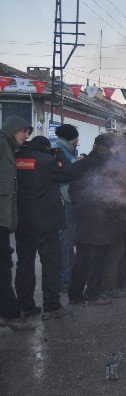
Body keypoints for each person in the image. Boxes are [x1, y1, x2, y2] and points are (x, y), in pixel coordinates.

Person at [15, 136, 77, 319]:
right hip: (46, 223)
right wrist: (59, 157)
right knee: (51, 264)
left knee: (24, 264)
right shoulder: (48, 161)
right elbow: (69, 173)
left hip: (22, 221)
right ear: (45, 148)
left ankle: (25, 305)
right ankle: (51, 306)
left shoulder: (18, 158)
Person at [68, 133, 126, 306]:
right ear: (112, 147)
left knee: (82, 258)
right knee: (99, 260)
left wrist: (80, 206)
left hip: (84, 218)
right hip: (105, 219)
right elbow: (117, 195)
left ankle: (75, 294)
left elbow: (72, 190)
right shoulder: (112, 167)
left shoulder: (82, 163)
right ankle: (93, 295)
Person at [0, 116, 35, 330]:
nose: (26, 136)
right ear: (13, 129)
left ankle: (8, 312)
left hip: (3, 220)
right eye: (23, 131)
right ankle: (10, 314)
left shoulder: (9, 149)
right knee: (3, 266)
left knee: (4, 264)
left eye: (29, 133)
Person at [53, 123, 79, 291]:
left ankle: (64, 277)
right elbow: (64, 183)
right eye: (77, 137)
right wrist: (74, 200)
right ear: (72, 138)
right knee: (66, 245)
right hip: (66, 207)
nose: (78, 141)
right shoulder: (62, 153)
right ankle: (64, 280)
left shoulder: (64, 151)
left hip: (63, 206)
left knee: (65, 244)